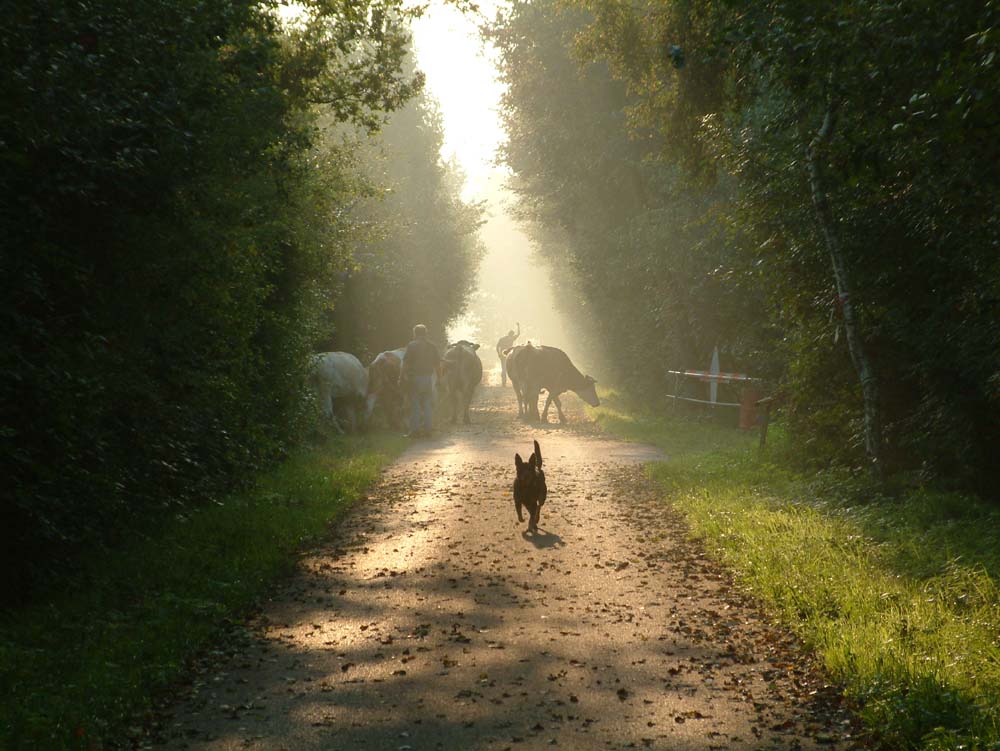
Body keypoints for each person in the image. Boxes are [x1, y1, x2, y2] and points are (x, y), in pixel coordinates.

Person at [399, 324, 440, 438]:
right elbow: (438, 365)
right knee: (427, 404)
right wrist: (440, 379)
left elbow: (406, 363)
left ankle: (414, 431)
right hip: (428, 378)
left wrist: (401, 377)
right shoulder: (432, 346)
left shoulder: (412, 345)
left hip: (415, 378)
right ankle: (428, 430)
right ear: (426, 333)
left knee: (415, 404)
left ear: (415, 333)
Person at [496, 322, 520, 387]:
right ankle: (508, 382)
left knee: (504, 368)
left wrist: (499, 353)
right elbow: (518, 334)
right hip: (508, 355)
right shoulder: (512, 338)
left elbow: (497, 346)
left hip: (504, 355)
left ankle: (504, 383)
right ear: (511, 335)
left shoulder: (502, 339)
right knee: (508, 368)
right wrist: (518, 326)